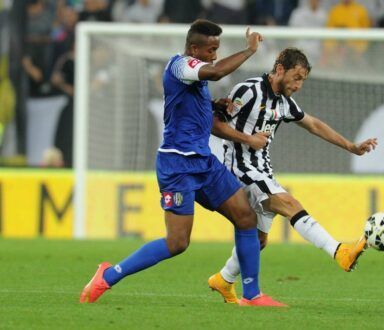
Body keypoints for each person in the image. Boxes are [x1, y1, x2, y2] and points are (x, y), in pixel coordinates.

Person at [79, 19, 286, 307]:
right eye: (210, 49)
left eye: (217, 49)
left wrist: (213, 105)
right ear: (193, 48)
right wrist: (249, 50)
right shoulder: (180, 66)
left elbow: (197, 101)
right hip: (178, 167)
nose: (214, 54)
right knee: (177, 243)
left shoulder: (195, 78)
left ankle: (252, 295)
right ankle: (107, 275)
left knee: (246, 217)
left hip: (204, 162)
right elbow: (214, 72)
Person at [207, 48, 377, 303]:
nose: (298, 85)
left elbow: (313, 124)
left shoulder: (284, 103)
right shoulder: (249, 90)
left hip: (262, 169)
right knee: (290, 204)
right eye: (296, 78)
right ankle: (339, 251)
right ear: (279, 70)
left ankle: (223, 279)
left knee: (259, 240)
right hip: (237, 167)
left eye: (302, 81)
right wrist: (248, 140)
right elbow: (214, 124)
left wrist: (351, 146)